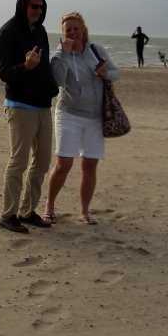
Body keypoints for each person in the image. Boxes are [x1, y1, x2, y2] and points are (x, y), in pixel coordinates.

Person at [43, 11, 118, 226]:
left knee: (90, 164)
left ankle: (84, 212)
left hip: (95, 118)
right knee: (64, 164)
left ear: (83, 29)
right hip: (69, 115)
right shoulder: (60, 53)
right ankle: (49, 206)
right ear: (63, 33)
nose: (73, 32)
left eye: (76, 28)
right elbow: (56, 81)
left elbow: (115, 72)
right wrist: (64, 54)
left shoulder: (96, 50)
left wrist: (106, 73)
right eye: (68, 30)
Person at [0, 0, 58, 234]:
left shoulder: (40, 31)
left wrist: (52, 87)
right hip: (20, 106)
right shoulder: (7, 32)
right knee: (18, 162)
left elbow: (45, 67)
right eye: (34, 6)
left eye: (41, 7)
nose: (38, 11)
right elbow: (4, 73)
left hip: (43, 105)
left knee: (42, 161)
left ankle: (27, 211)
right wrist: (26, 67)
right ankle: (8, 215)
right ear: (23, 5)